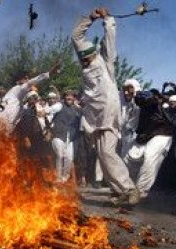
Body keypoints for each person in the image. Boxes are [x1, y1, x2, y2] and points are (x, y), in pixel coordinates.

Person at [72, 7, 139, 205]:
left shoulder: (105, 62)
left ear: (94, 53)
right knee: (102, 155)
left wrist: (107, 19)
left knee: (108, 152)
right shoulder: (84, 59)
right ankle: (119, 190)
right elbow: (75, 35)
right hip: (94, 117)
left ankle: (129, 188)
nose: (84, 61)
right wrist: (91, 17)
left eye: (87, 58)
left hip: (109, 115)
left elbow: (110, 37)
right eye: (82, 59)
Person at [127, 89, 174, 198]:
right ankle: (129, 187)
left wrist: (145, 95)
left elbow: (148, 99)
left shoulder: (157, 103)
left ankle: (141, 190)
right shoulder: (142, 108)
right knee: (130, 158)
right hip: (148, 136)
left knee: (150, 158)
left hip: (162, 135)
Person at [0, 64, 60, 135]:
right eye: (25, 78)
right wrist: (49, 73)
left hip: (4, 134)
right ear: (18, 82)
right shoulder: (17, 89)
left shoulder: (20, 103)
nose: (28, 80)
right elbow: (31, 83)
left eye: (28, 78)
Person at [51, 91, 81, 183]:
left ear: (74, 98)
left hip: (70, 138)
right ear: (65, 98)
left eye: (71, 96)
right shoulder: (59, 106)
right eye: (67, 96)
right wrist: (44, 111)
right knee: (60, 155)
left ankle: (64, 178)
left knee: (69, 158)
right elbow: (50, 110)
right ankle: (58, 177)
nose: (69, 97)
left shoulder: (76, 109)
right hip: (58, 135)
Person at [120, 79, 141, 160]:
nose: (126, 92)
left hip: (136, 137)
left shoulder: (139, 104)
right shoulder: (122, 104)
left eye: (129, 89)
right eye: (125, 89)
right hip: (124, 137)